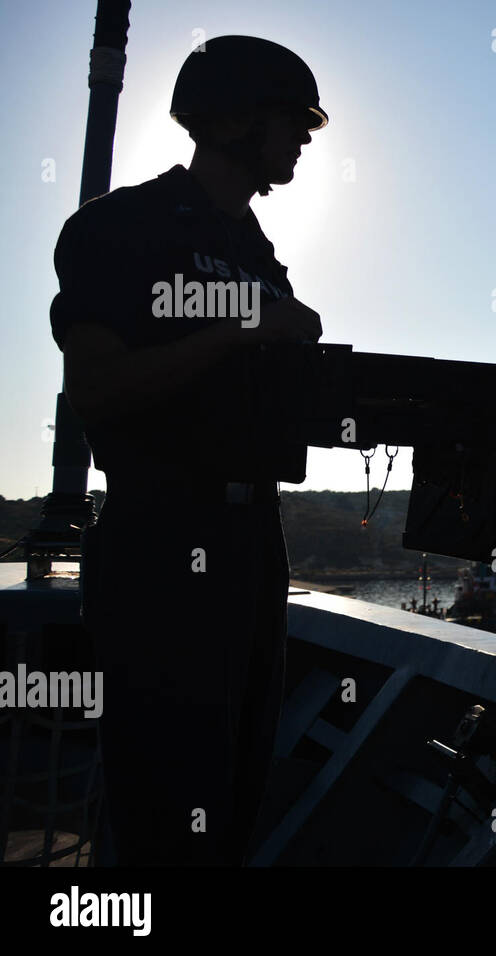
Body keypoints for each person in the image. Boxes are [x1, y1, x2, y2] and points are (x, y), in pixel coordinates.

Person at [50, 36, 326, 865]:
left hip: (253, 543)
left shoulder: (255, 248)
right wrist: (250, 328)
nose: (305, 139)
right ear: (234, 117)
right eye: (293, 120)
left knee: (234, 792)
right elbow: (99, 391)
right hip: (162, 537)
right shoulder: (117, 228)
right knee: (162, 801)